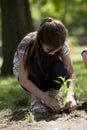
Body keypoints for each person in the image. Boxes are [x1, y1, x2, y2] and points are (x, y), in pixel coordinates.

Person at [13, 17, 76, 113]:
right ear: (40, 41)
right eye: (49, 50)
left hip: (47, 74)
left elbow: (71, 73)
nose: (53, 54)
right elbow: (23, 79)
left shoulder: (62, 43)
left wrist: (70, 95)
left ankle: (53, 96)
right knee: (35, 61)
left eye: (57, 50)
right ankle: (36, 100)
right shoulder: (27, 43)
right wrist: (44, 97)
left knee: (61, 67)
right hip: (30, 77)